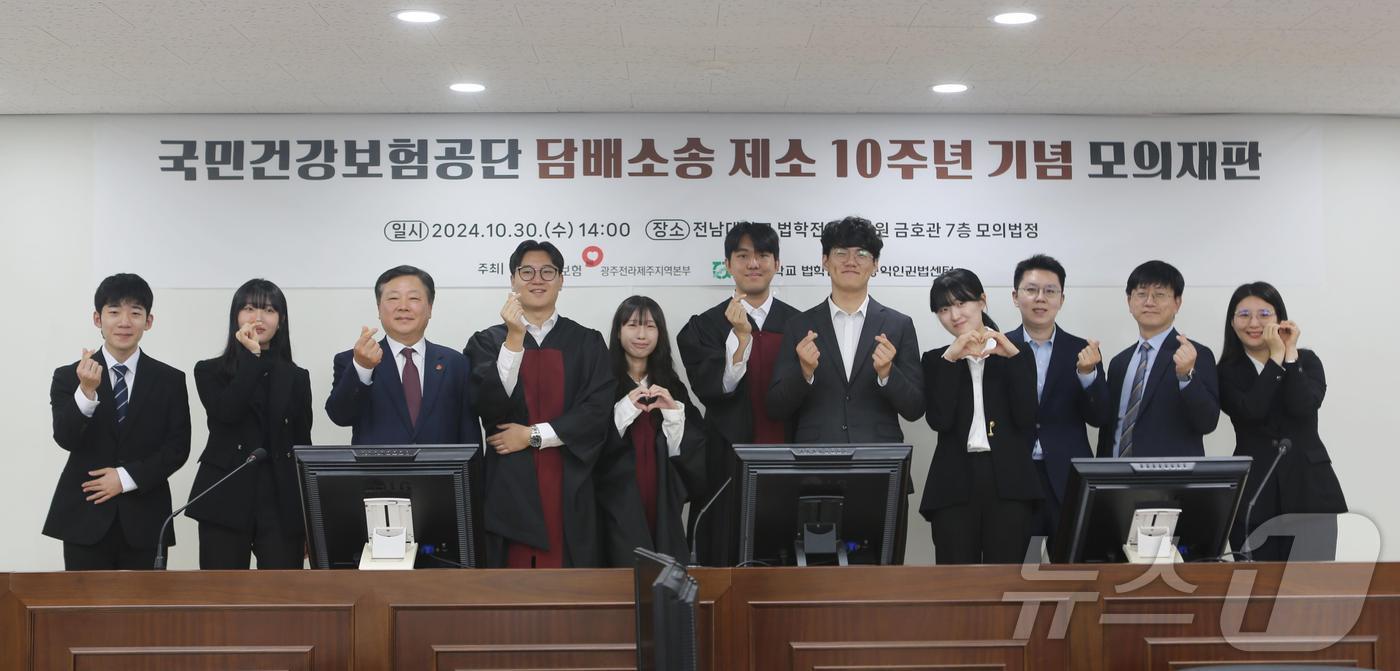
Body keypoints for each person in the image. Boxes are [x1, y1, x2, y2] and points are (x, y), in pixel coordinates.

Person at [767, 216, 923, 561]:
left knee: (880, 572)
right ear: (825, 261)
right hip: (813, 474)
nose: (851, 260)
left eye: (862, 253)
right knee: (818, 570)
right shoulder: (799, 325)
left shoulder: (899, 325)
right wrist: (804, 373)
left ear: (875, 265)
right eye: (840, 252)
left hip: (882, 470)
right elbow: (775, 406)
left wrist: (888, 374)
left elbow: (915, 407)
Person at [465, 241, 613, 568]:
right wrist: (514, 339)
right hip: (509, 486)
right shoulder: (487, 342)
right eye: (527, 272)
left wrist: (533, 435)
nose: (537, 279)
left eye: (547, 271)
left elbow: (597, 411)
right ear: (512, 280)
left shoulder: (587, 342)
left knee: (570, 581)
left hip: (570, 481)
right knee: (511, 585)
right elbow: (487, 406)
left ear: (561, 280)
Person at [44, 273, 192, 570]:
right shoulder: (69, 376)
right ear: (98, 319)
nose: (124, 322)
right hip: (85, 518)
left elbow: (177, 448)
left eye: (135, 313)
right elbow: (65, 437)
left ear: (148, 321)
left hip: (146, 520)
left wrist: (124, 479)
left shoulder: (170, 380)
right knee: (85, 601)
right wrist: (86, 392)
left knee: (144, 602)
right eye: (114, 312)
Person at [676, 221, 800, 565]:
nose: (753, 263)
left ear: (777, 263)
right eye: (743, 256)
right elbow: (711, 389)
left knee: (786, 556)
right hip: (726, 463)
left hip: (788, 459)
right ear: (728, 265)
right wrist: (742, 339)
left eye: (763, 255)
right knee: (725, 553)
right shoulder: (704, 326)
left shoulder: (802, 324)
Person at [186, 279, 311, 569]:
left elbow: (302, 444)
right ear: (236, 317)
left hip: (281, 500)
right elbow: (226, 413)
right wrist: (252, 357)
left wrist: (307, 517)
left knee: (282, 592)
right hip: (225, 493)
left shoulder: (296, 376)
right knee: (222, 592)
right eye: (249, 308)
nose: (258, 318)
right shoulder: (209, 370)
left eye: (269, 310)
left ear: (281, 320)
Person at [920, 269, 1041, 564]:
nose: (954, 315)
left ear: (982, 301)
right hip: (954, 483)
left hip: (1009, 483)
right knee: (956, 581)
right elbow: (939, 420)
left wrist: (1014, 358)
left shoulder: (1017, 353)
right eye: (944, 309)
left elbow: (1027, 418)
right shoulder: (936, 360)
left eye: (961, 303)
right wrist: (951, 359)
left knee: (1008, 579)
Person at [1219, 282, 1346, 561]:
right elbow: (1252, 410)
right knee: (1257, 585)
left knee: (1310, 584)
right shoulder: (1225, 372)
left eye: (1264, 314)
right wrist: (1275, 358)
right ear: (1232, 322)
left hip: (1310, 492)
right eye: (1244, 315)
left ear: (1280, 319)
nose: (1254, 323)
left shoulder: (1306, 361)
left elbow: (1303, 406)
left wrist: (1289, 355)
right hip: (1254, 494)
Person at [1004, 255, 1109, 546]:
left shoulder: (1083, 351)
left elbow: (1100, 417)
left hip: (1067, 477)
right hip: (1014, 476)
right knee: (1020, 565)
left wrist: (1087, 374)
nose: (1041, 298)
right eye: (1031, 290)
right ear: (1015, 297)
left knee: (1069, 565)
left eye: (1050, 291)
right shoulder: (999, 347)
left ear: (1061, 299)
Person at [596, 296, 706, 566]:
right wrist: (624, 410)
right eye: (633, 325)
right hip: (614, 507)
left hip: (662, 505)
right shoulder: (600, 383)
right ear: (618, 331)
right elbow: (589, 443)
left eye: (650, 326)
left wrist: (672, 414)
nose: (642, 335)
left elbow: (691, 454)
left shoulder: (673, 388)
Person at [326, 265, 481, 448]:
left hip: (441, 467)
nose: (403, 307)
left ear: (430, 308)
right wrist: (363, 367)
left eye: (414, 298)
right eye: (393, 298)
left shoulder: (456, 364)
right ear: (379, 308)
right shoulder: (352, 361)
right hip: (376, 468)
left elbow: (469, 435)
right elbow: (340, 416)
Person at [1097, 260, 1220, 458]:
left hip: (1168, 475)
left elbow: (1207, 422)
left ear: (1177, 303)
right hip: (1115, 473)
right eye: (1141, 294)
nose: (1149, 302)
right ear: (1129, 302)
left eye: (1160, 294)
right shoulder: (1119, 362)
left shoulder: (1196, 354)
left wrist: (1187, 375)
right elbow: (1110, 430)